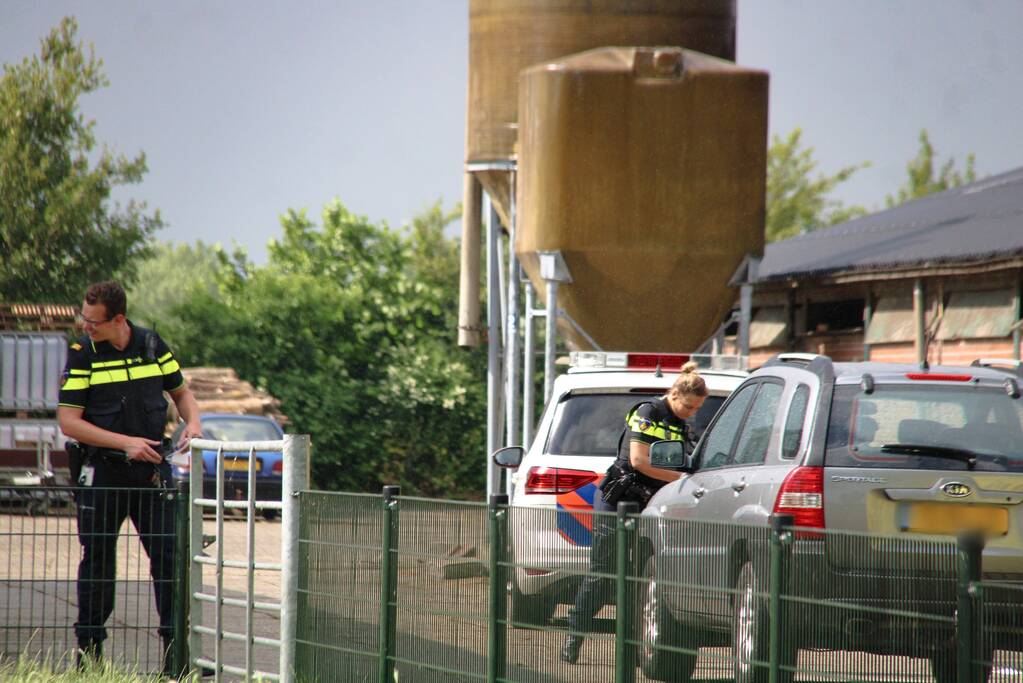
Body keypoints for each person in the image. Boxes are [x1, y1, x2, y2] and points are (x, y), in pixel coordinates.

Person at [57, 281, 202, 674]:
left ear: (119, 319)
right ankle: (89, 660)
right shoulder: (82, 355)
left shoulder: (153, 345)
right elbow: (69, 422)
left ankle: (177, 660)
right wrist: (125, 443)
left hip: (153, 473)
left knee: (170, 560)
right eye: (82, 317)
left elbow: (182, 394)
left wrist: (193, 422)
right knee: (98, 561)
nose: (84, 326)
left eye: (93, 321)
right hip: (103, 473)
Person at [559, 361, 708, 664]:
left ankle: (636, 650)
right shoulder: (648, 412)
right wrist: (682, 480)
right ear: (675, 395)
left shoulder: (681, 423)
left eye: (697, 409)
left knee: (642, 576)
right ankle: (574, 637)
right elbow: (639, 461)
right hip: (619, 498)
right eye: (690, 407)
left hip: (651, 502)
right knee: (603, 574)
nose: (692, 413)